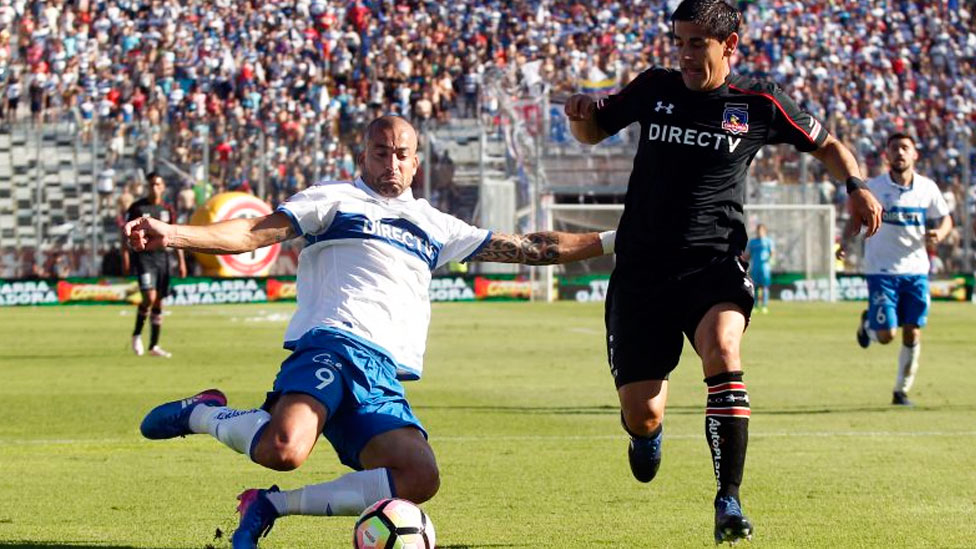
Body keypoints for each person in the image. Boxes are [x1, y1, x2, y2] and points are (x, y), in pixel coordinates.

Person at [125, 116, 615, 549]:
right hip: (332, 343)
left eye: (401, 154)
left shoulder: (436, 225)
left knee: (419, 476)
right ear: (363, 155)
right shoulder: (333, 199)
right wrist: (174, 234)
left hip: (382, 372)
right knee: (285, 449)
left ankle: (271, 507)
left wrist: (617, 238)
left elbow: (531, 245)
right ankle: (203, 415)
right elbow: (254, 232)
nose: (391, 164)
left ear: (416, 162)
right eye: (381, 152)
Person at [562, 0, 882, 543]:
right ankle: (645, 436)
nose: (684, 54)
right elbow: (594, 132)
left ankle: (728, 500)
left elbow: (827, 145)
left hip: (715, 263)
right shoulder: (655, 86)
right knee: (643, 415)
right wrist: (580, 118)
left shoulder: (758, 102)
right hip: (641, 270)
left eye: (696, 43)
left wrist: (855, 185)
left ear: (728, 46)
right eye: (679, 42)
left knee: (725, 351)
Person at [838, 133, 952, 406]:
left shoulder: (928, 188)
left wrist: (940, 234)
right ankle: (869, 324)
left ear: (915, 155)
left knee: (913, 330)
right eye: (894, 149)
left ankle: (901, 391)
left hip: (916, 271)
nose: (900, 153)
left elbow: (946, 218)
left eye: (905, 148)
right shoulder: (872, 187)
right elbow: (855, 214)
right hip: (882, 271)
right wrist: (844, 241)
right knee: (887, 335)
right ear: (887, 155)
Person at [122, 172, 186, 358]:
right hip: (144, 258)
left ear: (163, 187)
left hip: (163, 259)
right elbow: (124, 234)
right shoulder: (137, 207)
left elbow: (175, 235)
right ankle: (136, 334)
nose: (154, 187)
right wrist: (125, 256)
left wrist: (181, 261)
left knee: (159, 301)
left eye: (157, 184)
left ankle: (154, 346)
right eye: (151, 184)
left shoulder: (167, 208)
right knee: (149, 297)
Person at [744, 223, 774, 313]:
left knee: (765, 286)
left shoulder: (768, 241)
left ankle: (764, 306)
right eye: (758, 230)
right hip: (755, 267)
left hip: (765, 267)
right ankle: (756, 306)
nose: (759, 232)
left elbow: (772, 252)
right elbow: (748, 255)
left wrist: (771, 259)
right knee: (755, 287)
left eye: (761, 230)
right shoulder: (752, 242)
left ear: (765, 231)